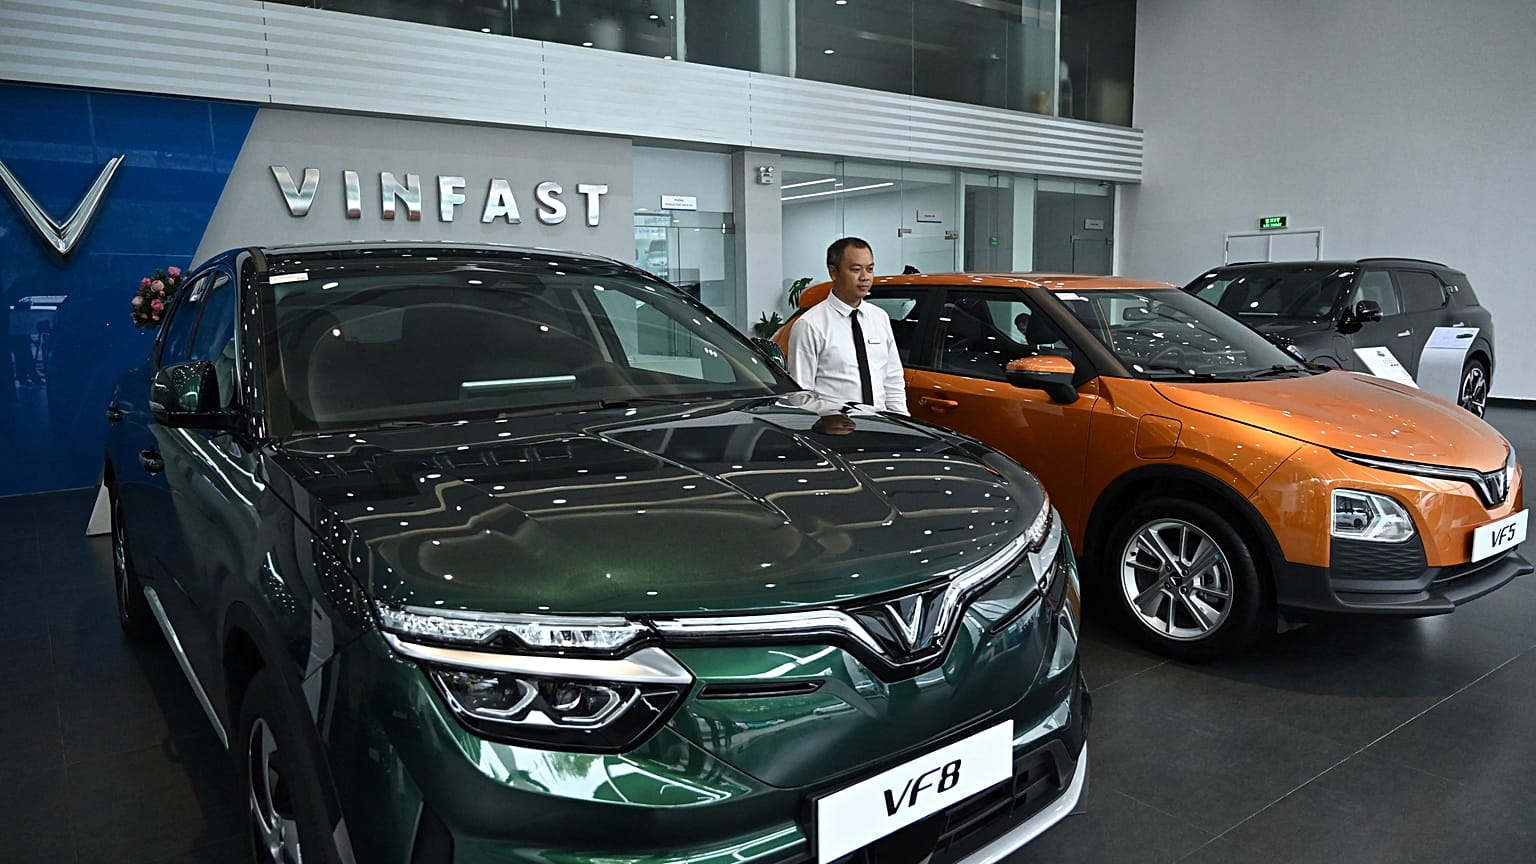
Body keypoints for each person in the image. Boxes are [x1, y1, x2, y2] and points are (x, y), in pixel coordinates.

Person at [787, 237, 908, 415]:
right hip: (836, 429)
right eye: (856, 269)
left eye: (870, 269)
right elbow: (801, 395)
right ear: (833, 272)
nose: (865, 277)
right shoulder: (810, 325)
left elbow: (893, 379)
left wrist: (901, 423)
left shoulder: (879, 317)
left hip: (881, 427)